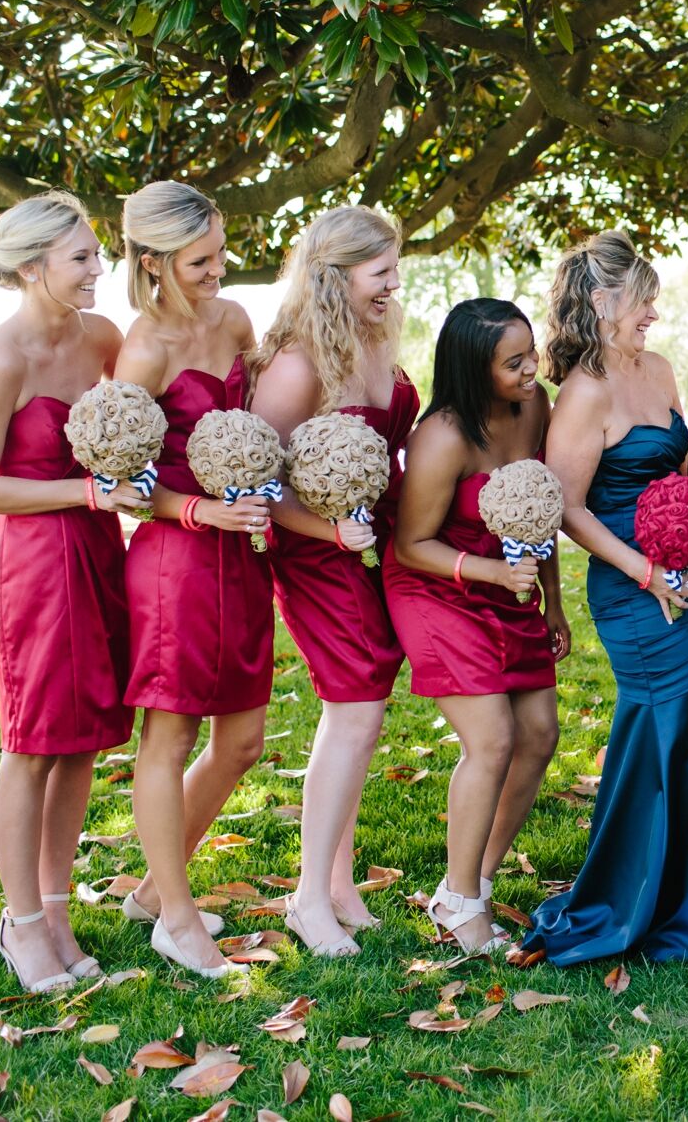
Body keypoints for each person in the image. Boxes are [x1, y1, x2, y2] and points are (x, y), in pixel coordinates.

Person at [518, 231, 688, 964]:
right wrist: (647, 572)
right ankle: (629, 894)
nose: (653, 311)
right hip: (629, 583)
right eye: (642, 299)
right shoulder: (584, 393)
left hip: (686, 572)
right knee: (660, 719)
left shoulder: (662, 368)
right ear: (604, 301)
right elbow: (568, 507)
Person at [0, 192, 141, 992]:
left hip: (98, 551)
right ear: (33, 268)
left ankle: (57, 909)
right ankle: (20, 923)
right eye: (83, 259)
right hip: (32, 561)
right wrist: (84, 494)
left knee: (86, 739)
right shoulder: (4, 356)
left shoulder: (101, 336)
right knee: (32, 744)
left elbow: (125, 424)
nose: (101, 270)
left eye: (99, 254)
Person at [114, 180, 272, 979]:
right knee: (169, 738)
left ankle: (151, 890)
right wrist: (197, 513)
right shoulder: (145, 348)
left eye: (220, 253)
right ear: (155, 261)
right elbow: (125, 482)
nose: (218, 270)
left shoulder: (235, 319)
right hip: (176, 563)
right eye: (201, 259)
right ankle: (177, 918)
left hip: (244, 558)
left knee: (243, 740)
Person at [250, 206, 414, 958]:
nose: (393, 284)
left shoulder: (376, 340)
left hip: (372, 545)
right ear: (336, 273)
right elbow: (256, 479)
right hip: (317, 554)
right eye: (381, 271)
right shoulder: (297, 364)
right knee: (354, 709)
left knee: (363, 713)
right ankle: (307, 897)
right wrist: (330, 531)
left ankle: (341, 883)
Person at [390, 299, 568, 955]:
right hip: (438, 586)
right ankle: (457, 899)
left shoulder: (535, 408)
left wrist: (553, 601)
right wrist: (494, 578)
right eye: (513, 362)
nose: (532, 371)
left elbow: (536, 508)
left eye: (532, 354)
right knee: (492, 737)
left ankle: (478, 881)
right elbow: (412, 544)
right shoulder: (440, 436)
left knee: (540, 733)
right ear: (473, 368)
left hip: (512, 582)